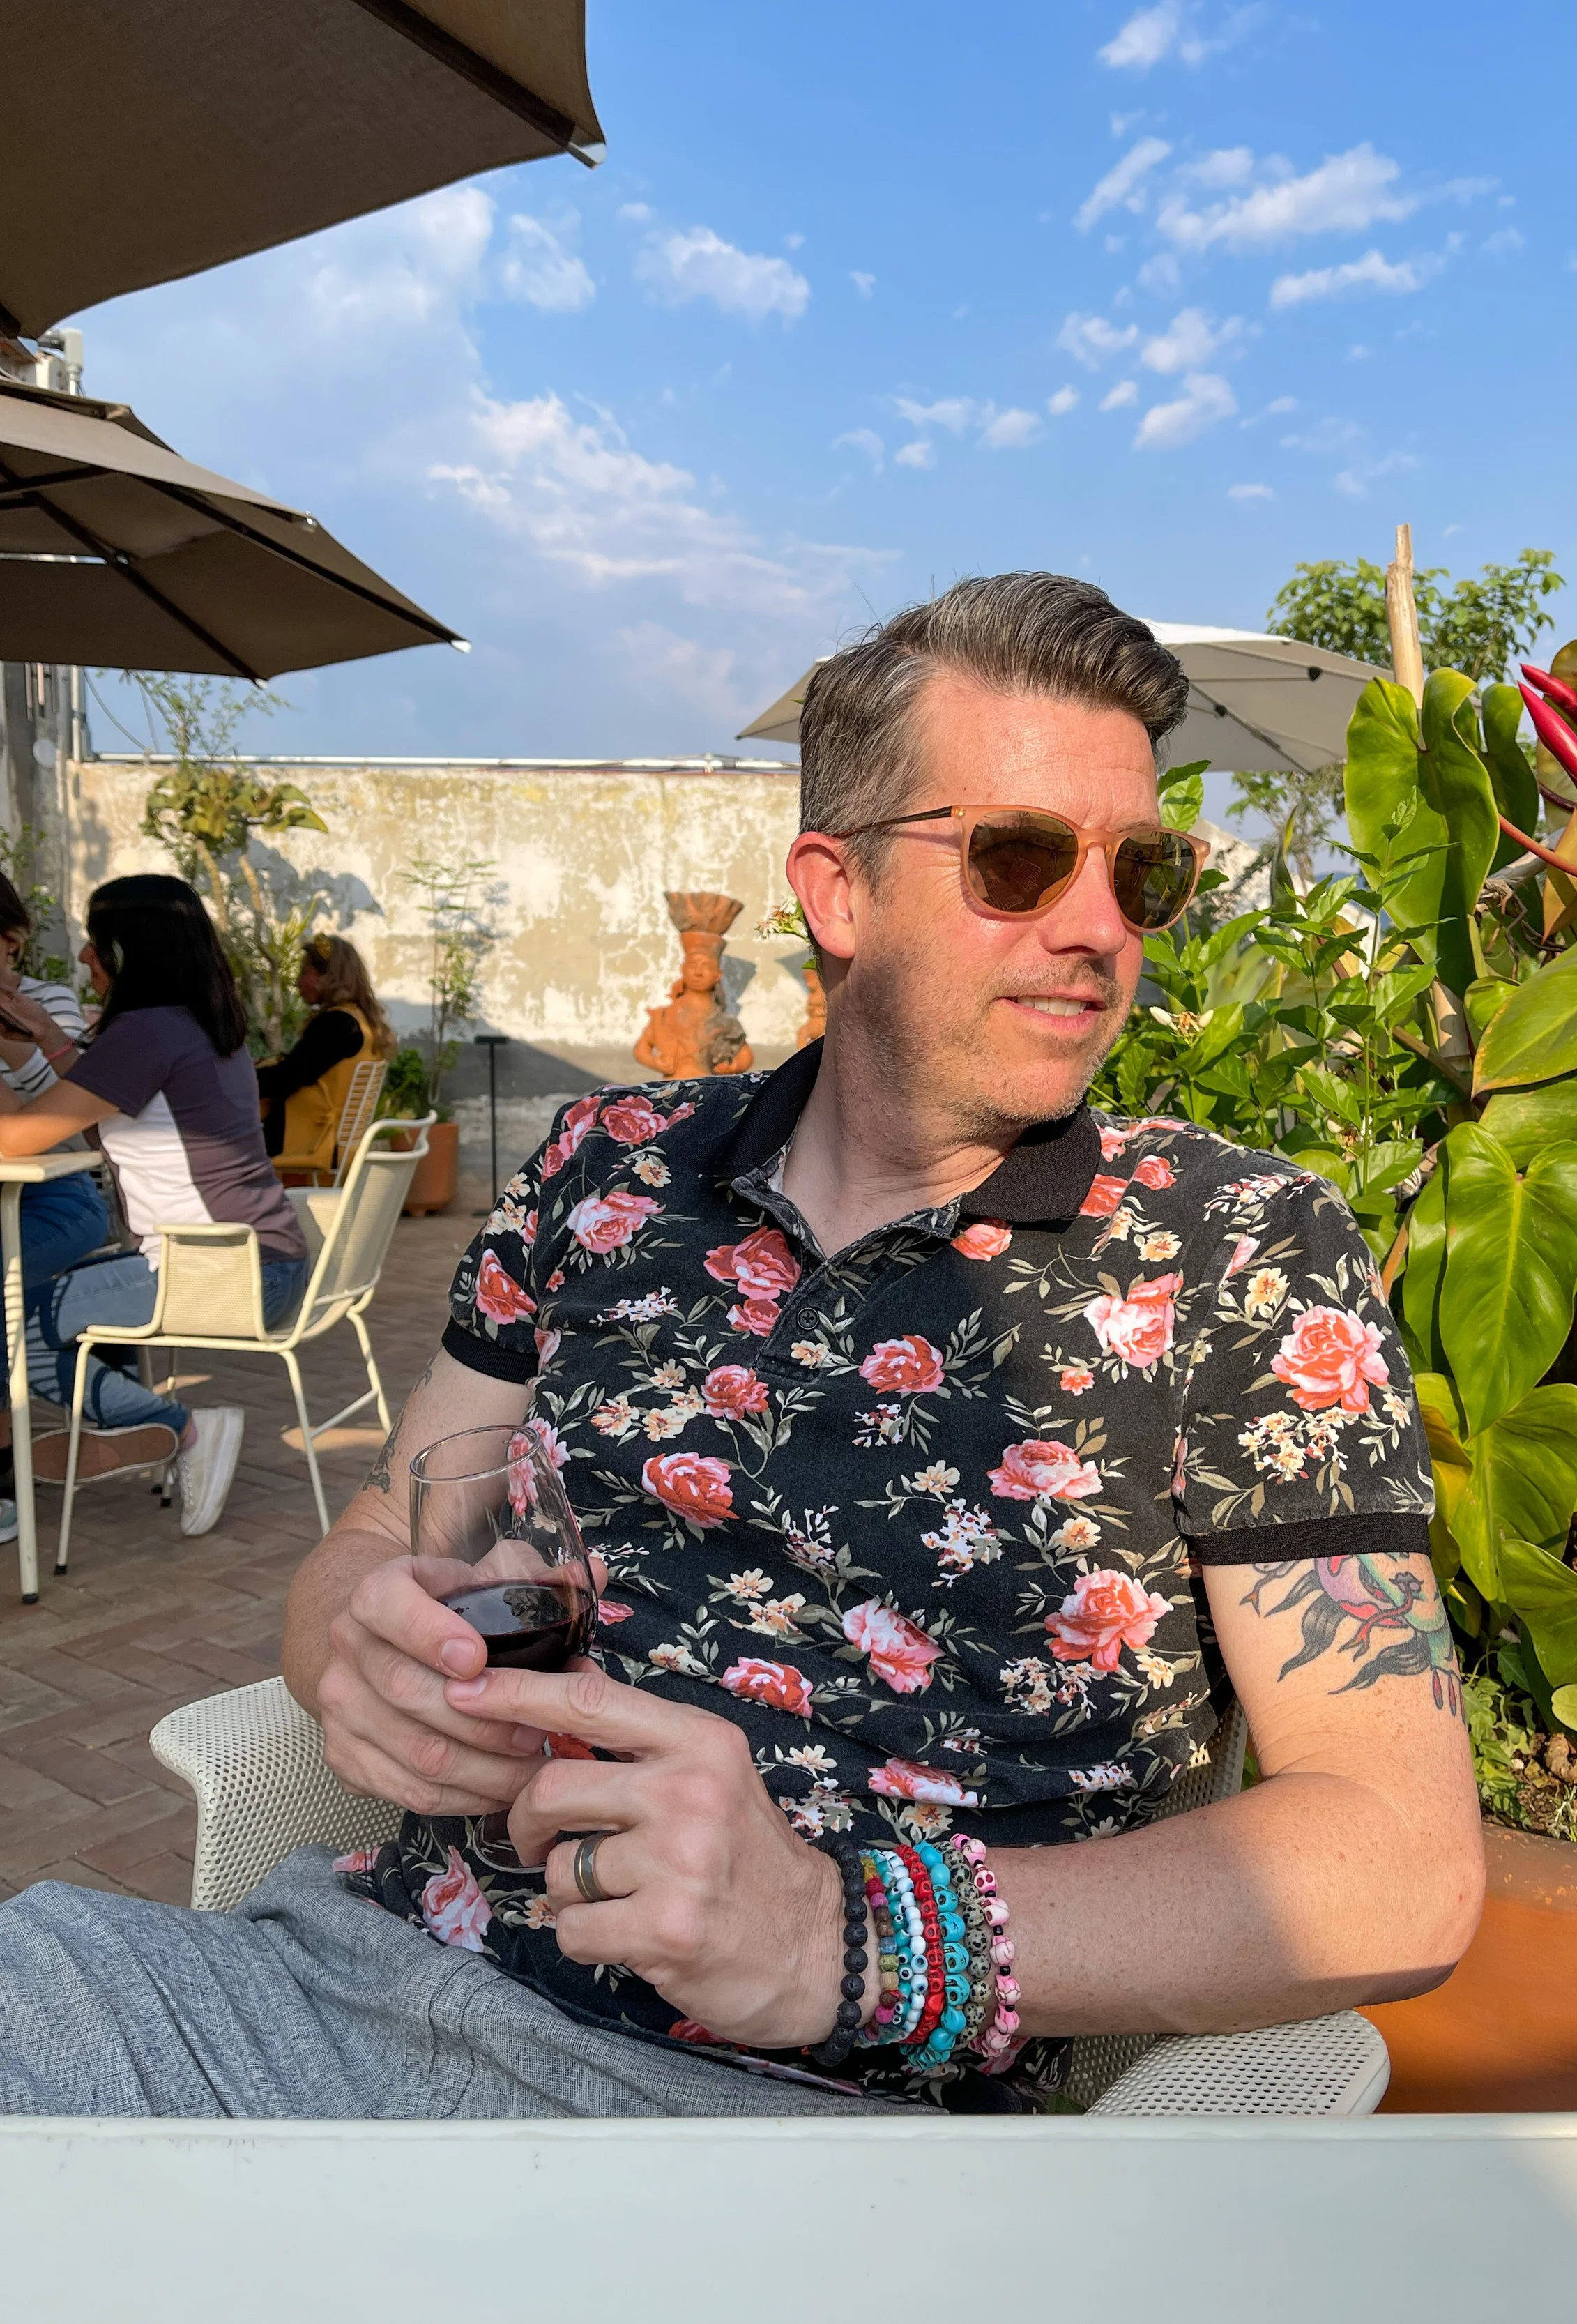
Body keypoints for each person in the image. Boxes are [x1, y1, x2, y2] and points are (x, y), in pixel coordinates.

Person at [0, 575, 1482, 2119]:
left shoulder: (1232, 1247)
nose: (1099, 925)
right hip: (321, 1987)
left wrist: (846, 1938)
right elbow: (394, 1522)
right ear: (834, 892)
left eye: (1143, 871)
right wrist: (344, 1644)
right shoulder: (604, 1164)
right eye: (1022, 858)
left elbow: (1398, 1854)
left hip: (792, 2121)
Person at [0, 874, 310, 1538]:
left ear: (125, 948)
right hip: (265, 1263)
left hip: (218, 1274)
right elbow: (94, 1118)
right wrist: (49, 1033)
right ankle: (138, 1420)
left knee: (16, 1322)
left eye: (93, 941)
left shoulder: (144, 1032)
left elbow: (18, 1134)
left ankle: (182, 1429)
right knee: (48, 1298)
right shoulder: (194, 1021)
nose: (83, 957)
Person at [0, 873, 113, 1544]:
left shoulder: (49, 1004)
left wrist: (24, 1032)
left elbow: (67, 1115)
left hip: (59, 1195)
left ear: (11, 943)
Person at [259, 934, 395, 1169]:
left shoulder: (336, 1024)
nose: (297, 982)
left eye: (304, 973)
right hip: (336, 1147)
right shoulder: (361, 1022)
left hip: (309, 1146)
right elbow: (304, 1067)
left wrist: (237, 1077)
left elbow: (288, 1078)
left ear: (329, 977)